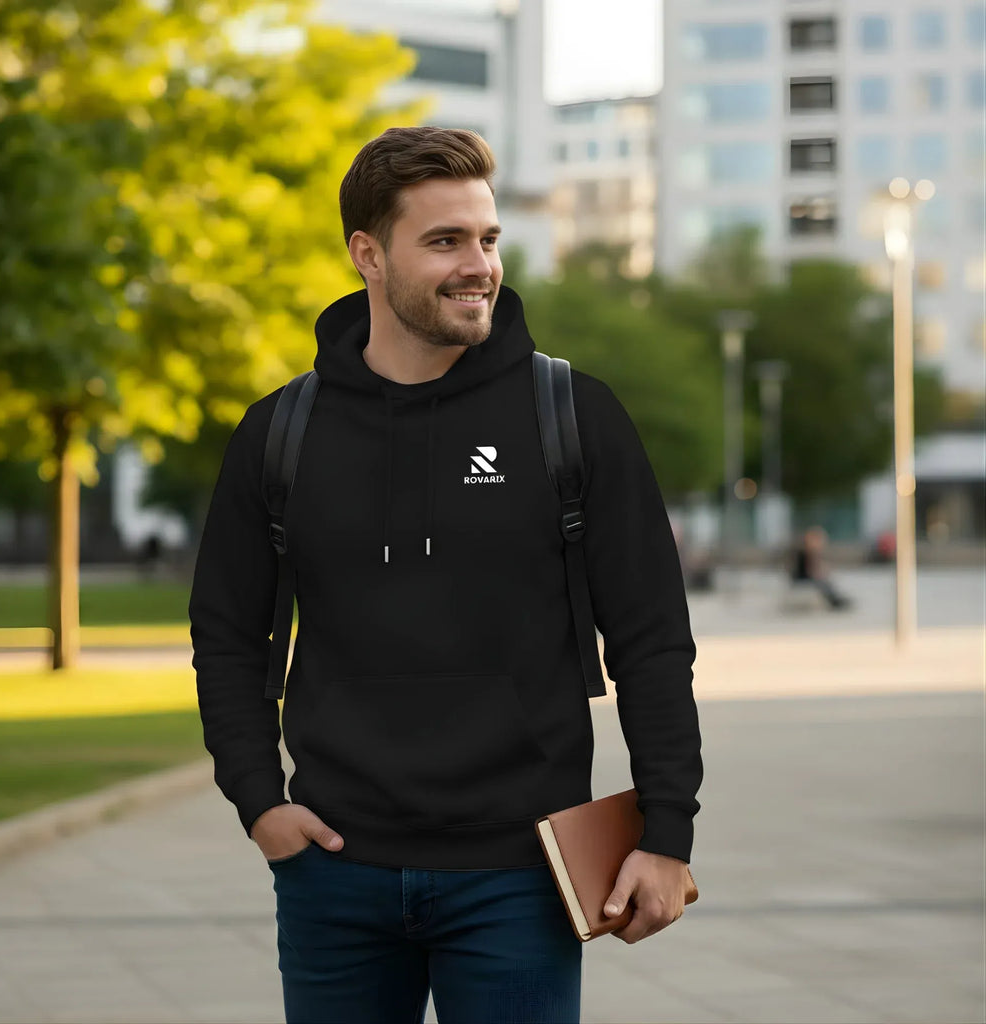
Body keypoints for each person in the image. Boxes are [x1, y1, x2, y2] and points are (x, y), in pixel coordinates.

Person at [188, 127, 702, 1024]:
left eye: (488, 239)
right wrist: (259, 802)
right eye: (445, 241)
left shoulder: (572, 415)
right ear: (368, 255)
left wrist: (667, 834)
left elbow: (652, 639)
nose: (480, 266)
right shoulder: (282, 432)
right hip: (333, 875)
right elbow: (227, 634)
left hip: (520, 876)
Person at [790, 525, 852, 610]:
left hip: (803, 577)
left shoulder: (805, 551)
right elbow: (811, 570)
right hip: (801, 579)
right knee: (823, 583)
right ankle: (835, 601)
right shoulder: (806, 552)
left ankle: (835, 600)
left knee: (826, 583)